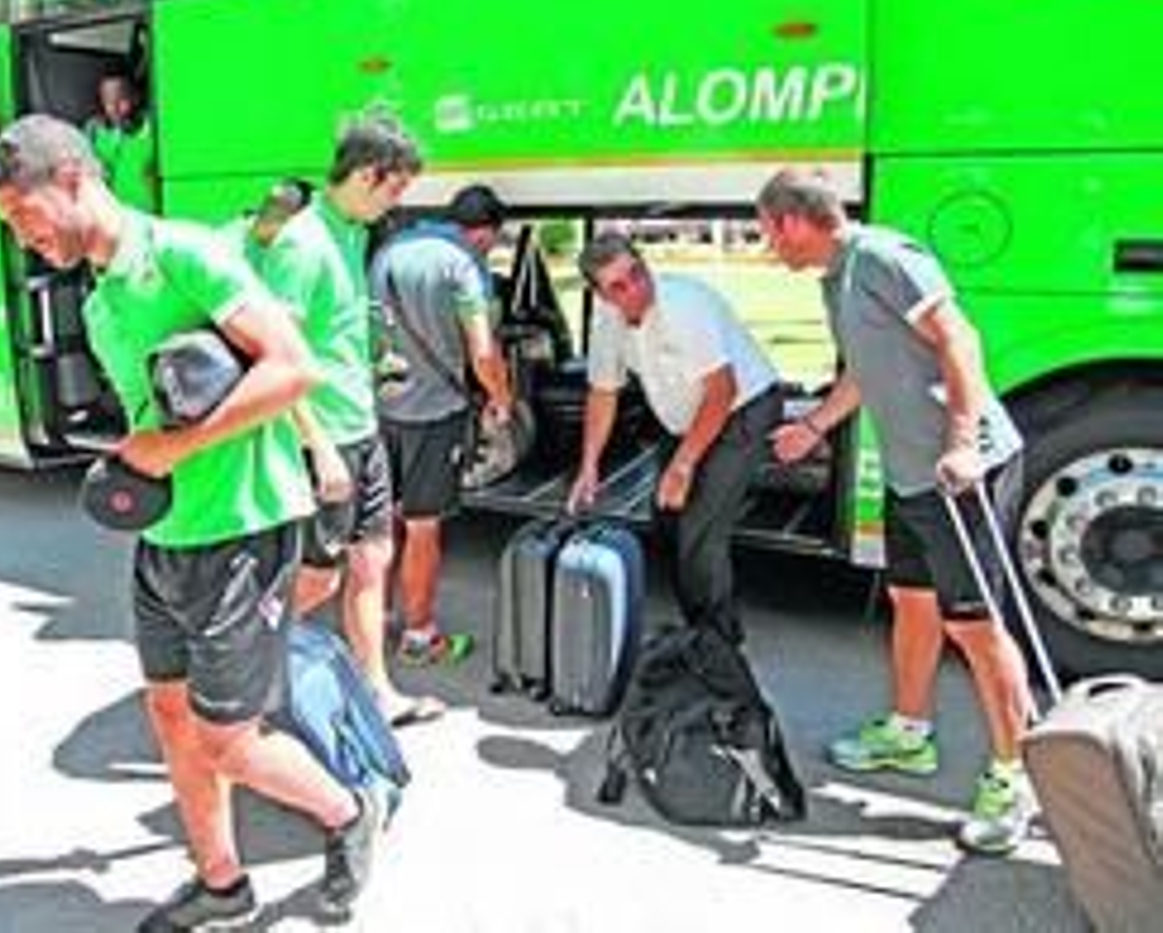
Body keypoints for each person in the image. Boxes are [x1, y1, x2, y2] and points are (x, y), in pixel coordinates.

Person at [0, 114, 384, 929]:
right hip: (165, 541)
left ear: (73, 181)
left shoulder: (186, 254)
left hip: (243, 529)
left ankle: (347, 812)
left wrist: (170, 445)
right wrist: (146, 461)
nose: (27, 240)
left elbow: (294, 368)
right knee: (170, 716)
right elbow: (155, 421)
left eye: (25, 217)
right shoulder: (98, 308)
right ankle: (221, 884)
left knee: (229, 738)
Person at [755, 167, 1032, 856]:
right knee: (911, 602)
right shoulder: (835, 278)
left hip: (959, 473)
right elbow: (864, 373)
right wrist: (815, 426)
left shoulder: (882, 256)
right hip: (911, 474)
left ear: (792, 222)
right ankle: (909, 734)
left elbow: (958, 339)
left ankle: (1013, 775)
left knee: (976, 627)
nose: (769, 247)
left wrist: (964, 444)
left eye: (767, 233)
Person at [244, 112, 437, 728]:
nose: (398, 201)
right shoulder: (302, 244)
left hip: (362, 428)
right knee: (318, 581)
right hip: (321, 441)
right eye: (396, 186)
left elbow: (336, 330)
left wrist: (375, 362)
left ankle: (378, 692)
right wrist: (319, 445)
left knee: (373, 556)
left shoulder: (352, 231)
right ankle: (243, 669)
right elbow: (277, 356)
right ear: (365, 174)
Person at [565, 231, 783, 646]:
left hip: (744, 407)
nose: (634, 287)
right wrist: (589, 466)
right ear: (601, 295)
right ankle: (699, 627)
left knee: (700, 529)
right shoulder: (607, 322)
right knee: (665, 518)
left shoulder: (684, 305)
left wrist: (683, 465)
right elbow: (603, 392)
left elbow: (722, 390)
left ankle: (716, 646)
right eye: (617, 285)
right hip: (687, 418)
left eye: (636, 273)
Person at [368, 183, 514, 668]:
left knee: (380, 520)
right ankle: (419, 636)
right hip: (433, 415)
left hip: (381, 406)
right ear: (483, 233)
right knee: (423, 527)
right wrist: (501, 399)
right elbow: (484, 351)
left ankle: (374, 618)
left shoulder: (390, 250)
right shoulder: (463, 266)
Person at [84, 73, 158, 211]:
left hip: (150, 215)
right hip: (114, 218)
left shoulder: (156, 129)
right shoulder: (94, 130)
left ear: (135, 98)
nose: (114, 107)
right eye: (107, 101)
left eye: (122, 99)